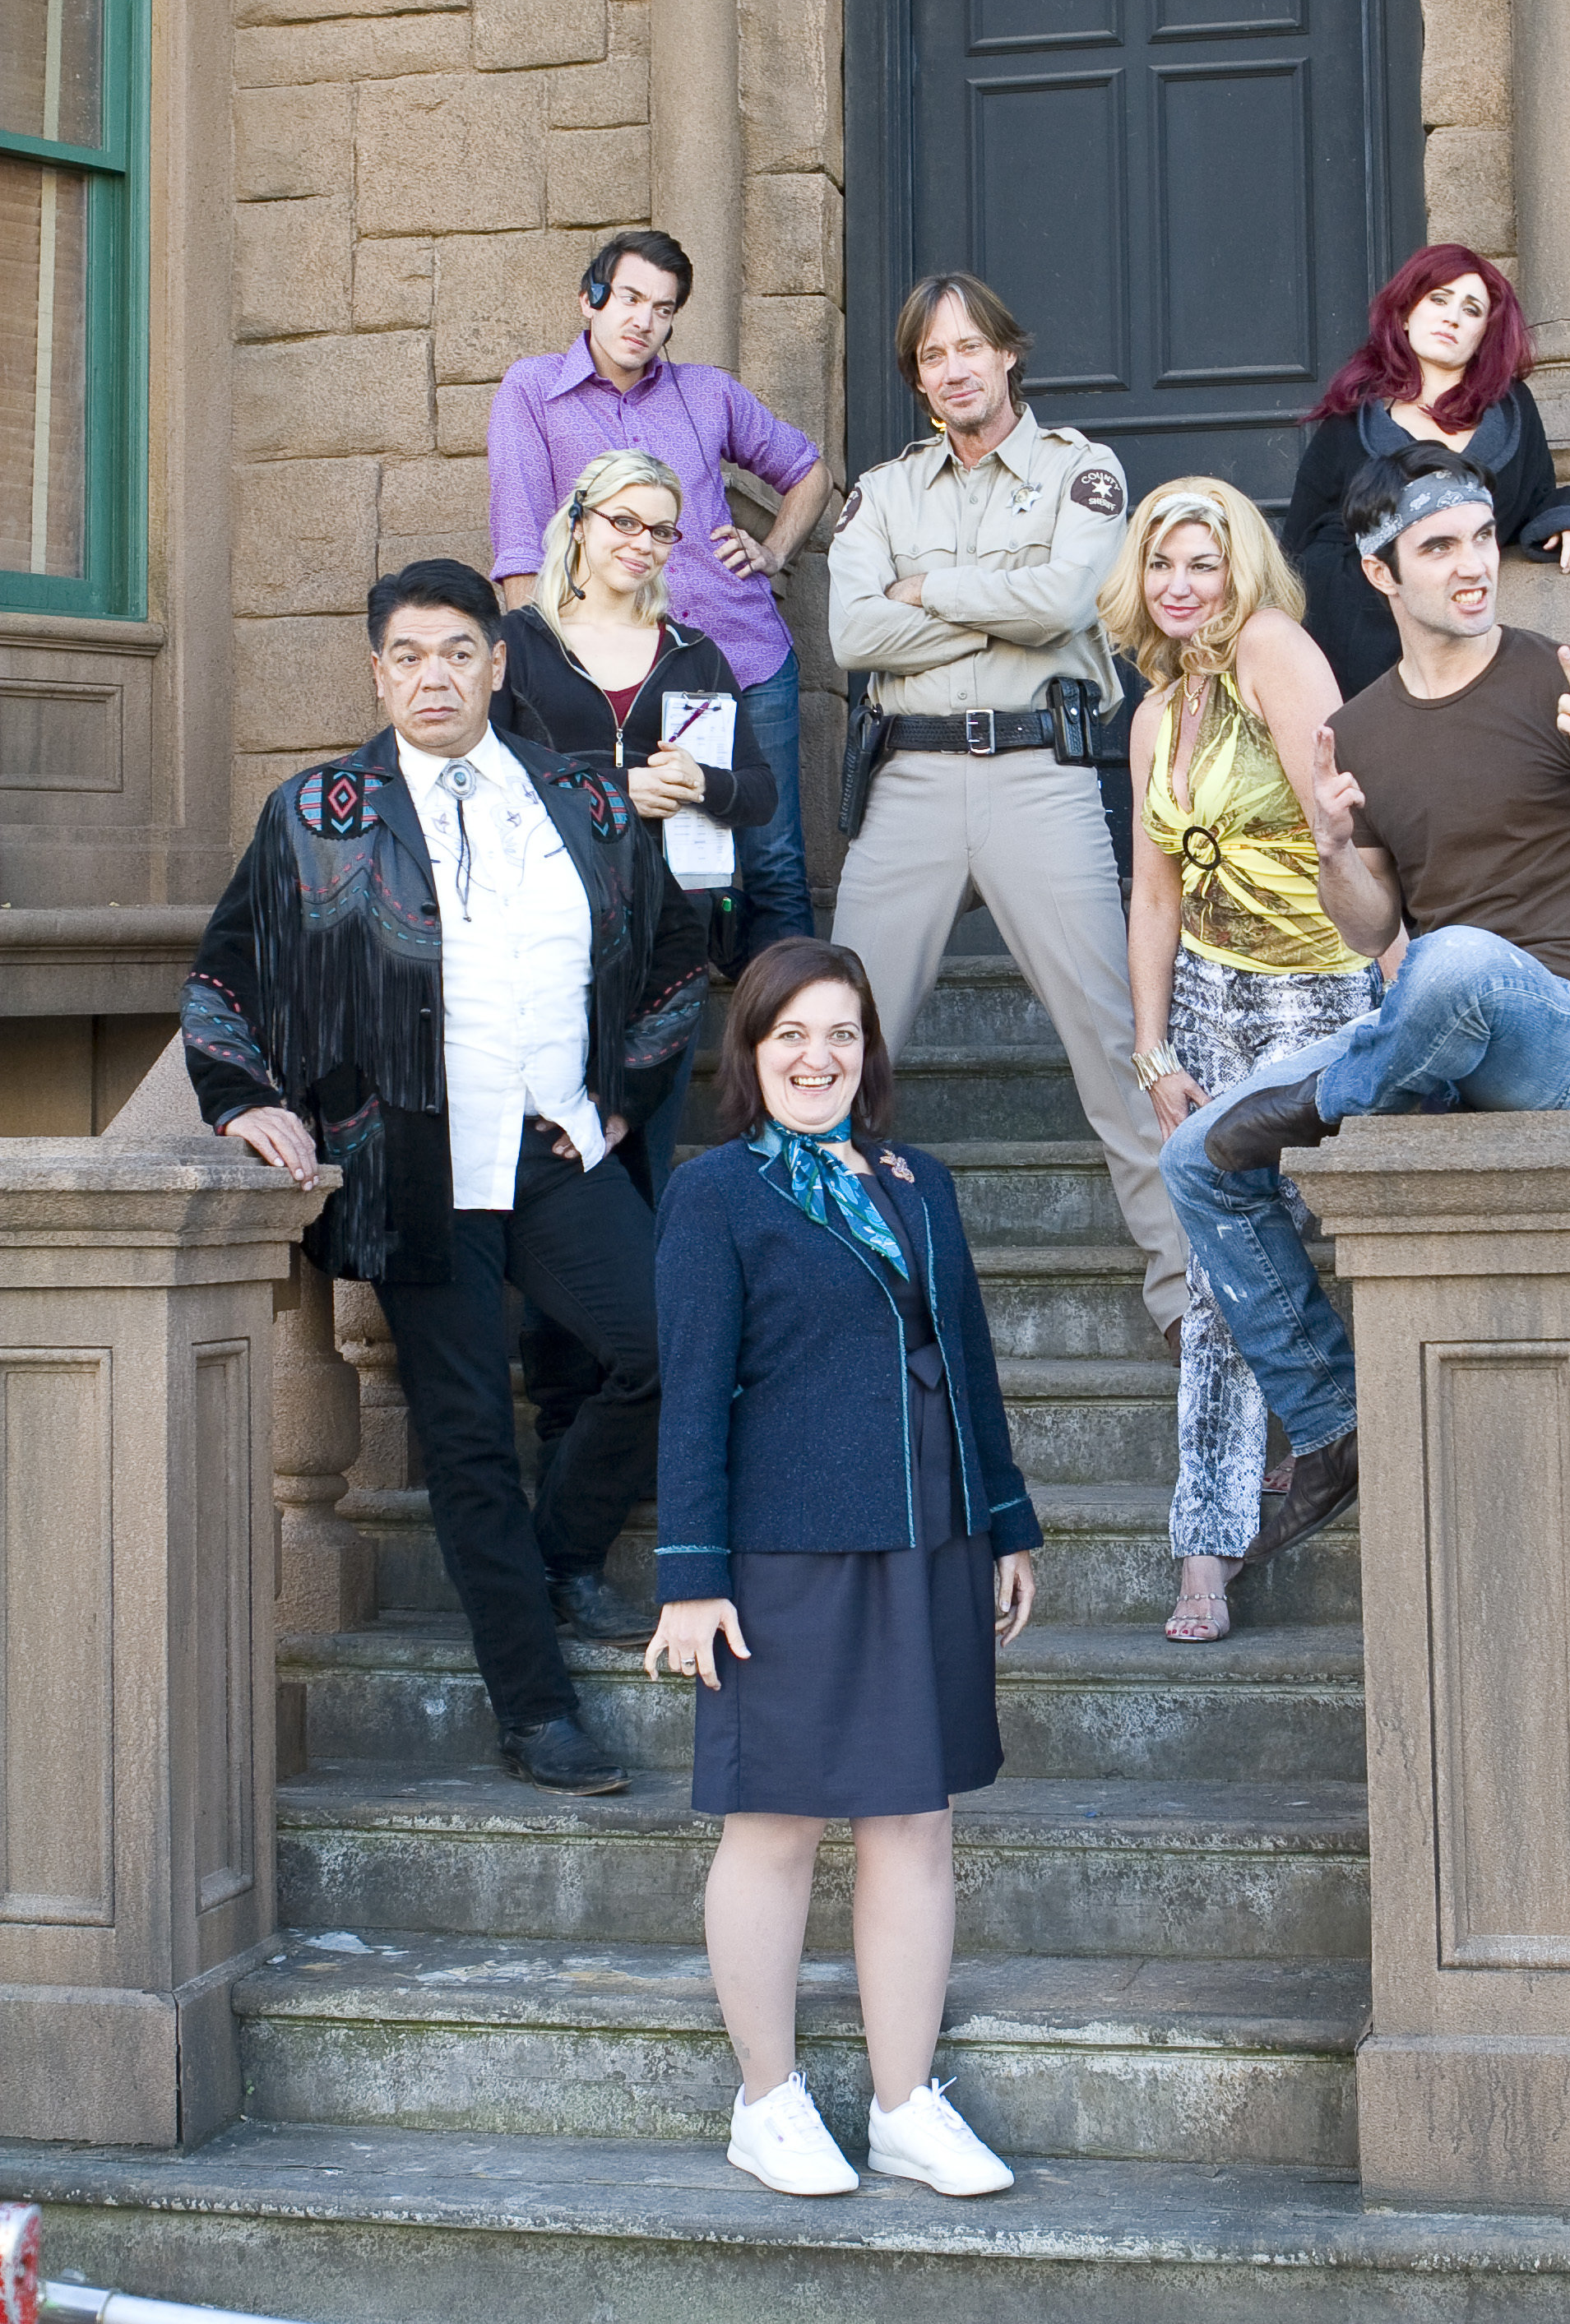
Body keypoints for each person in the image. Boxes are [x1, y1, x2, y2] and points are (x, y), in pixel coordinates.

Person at [182, 558, 707, 1796]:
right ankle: (538, 1709)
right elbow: (223, 980)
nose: (434, 676)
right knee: (469, 1443)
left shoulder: (583, 801)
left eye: (458, 652)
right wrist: (247, 1099)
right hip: (410, 1165)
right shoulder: (320, 814)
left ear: (497, 662)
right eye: (409, 655)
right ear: (378, 670)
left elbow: (679, 965)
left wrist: (619, 1100)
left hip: (552, 1148)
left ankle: (554, 1555)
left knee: (668, 1348)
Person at [1159, 443, 1570, 1567]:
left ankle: (1333, 1098)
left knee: (1453, 961)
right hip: (1432, 1037)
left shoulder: (1569, 679)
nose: (1474, 568)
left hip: (1569, 1035)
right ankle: (1332, 1420)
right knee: (1193, 1158)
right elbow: (1369, 930)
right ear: (1381, 574)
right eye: (1439, 547)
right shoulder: (1359, 731)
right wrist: (1330, 844)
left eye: (1478, 540)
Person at [645, 939, 1040, 2200]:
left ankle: (904, 2103)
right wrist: (691, 1576)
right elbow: (692, 1396)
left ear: (869, 1052)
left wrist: (1008, 1522)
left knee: (915, 1823)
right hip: (783, 1553)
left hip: (930, 1535)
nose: (818, 1058)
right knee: (774, 1828)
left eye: (842, 1035)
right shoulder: (715, 1196)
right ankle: (765, 2102)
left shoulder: (924, 1183)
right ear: (750, 1055)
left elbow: (966, 1361)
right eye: (790, 1037)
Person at [829, 271, 1188, 1351]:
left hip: (1044, 776)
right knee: (833, 1042)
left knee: (1119, 1041)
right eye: (932, 358)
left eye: (968, 348)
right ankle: (830, 1290)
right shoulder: (883, 491)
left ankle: (1188, 1302)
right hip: (911, 786)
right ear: (919, 378)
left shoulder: (1083, 471)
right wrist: (1004, 606)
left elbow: (1066, 603)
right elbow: (852, 637)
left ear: (1007, 354)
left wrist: (925, 592)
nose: (953, 370)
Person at [1099, 479, 1379, 1642]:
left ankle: (1351, 1436)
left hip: (1322, 986)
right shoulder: (1156, 712)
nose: (1181, 586)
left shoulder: (1272, 647)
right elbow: (1154, 891)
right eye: (1164, 563)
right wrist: (1152, 1048)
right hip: (1211, 994)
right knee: (1212, 1286)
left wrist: (1399, 959)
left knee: (1328, 1228)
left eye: (1203, 564)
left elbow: (1343, 820)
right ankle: (1206, 1548)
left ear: (1241, 569)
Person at [492, 447, 776, 1475]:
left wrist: (698, 782)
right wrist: (616, 785)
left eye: (661, 529)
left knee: (635, 1192)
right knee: (560, 1190)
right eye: (625, 521)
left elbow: (759, 799)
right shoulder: (515, 648)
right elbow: (485, 783)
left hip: (657, 968)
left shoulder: (693, 656)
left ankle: (627, 1439)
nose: (641, 544)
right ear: (579, 517)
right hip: (538, 955)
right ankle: (566, 1424)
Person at [487, 228, 831, 954]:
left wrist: (771, 551)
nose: (645, 320)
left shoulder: (707, 393)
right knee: (634, 861)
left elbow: (808, 471)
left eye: (665, 308)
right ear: (590, 298)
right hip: (617, 674)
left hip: (744, 660)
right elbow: (520, 543)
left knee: (770, 864)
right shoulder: (533, 392)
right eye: (632, 298)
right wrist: (534, 673)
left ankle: (789, 1044)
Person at [1283, 243, 1570, 700]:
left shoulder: (1513, 411)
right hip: (1354, 624)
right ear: (1405, 313)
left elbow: (1538, 496)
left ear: (1485, 333)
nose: (1452, 317)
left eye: (1471, 309)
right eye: (1438, 299)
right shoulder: (1352, 420)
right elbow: (1298, 539)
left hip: (1467, 625)